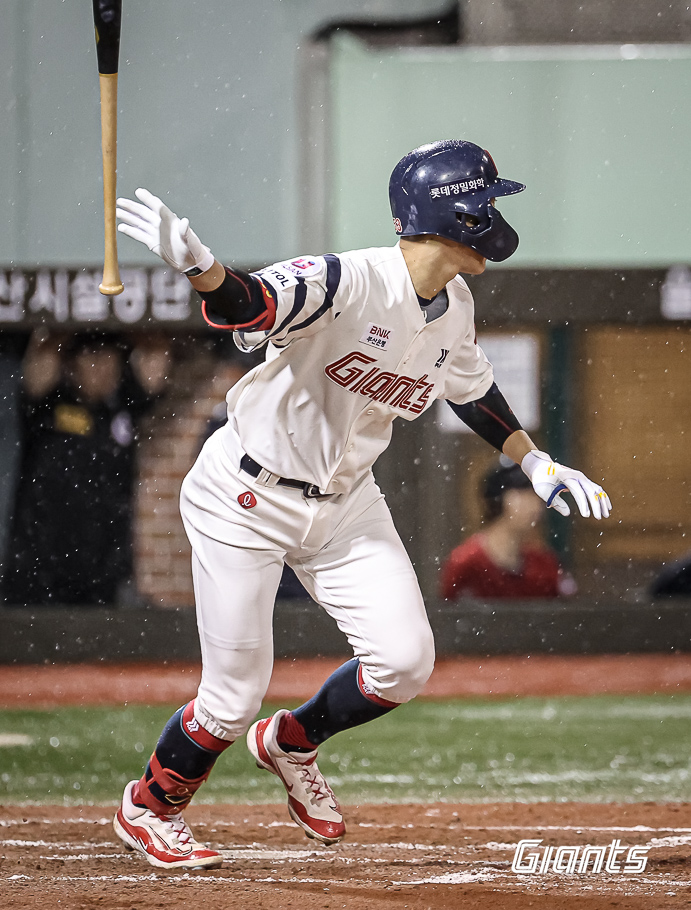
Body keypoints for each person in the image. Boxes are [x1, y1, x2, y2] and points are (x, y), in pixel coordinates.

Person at [111, 139, 611, 869]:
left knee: (403, 664)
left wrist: (533, 460)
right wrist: (201, 267)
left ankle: (291, 741)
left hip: (345, 500)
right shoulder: (348, 278)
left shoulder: (456, 304)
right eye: (486, 201)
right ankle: (149, 808)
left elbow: (471, 391)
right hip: (244, 495)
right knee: (229, 696)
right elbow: (248, 303)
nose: (495, 216)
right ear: (452, 215)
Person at [2, 331, 169, 607]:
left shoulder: (122, 408)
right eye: (92, 357)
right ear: (71, 363)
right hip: (39, 569)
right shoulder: (48, 404)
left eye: (110, 357)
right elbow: (42, 350)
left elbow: (157, 354)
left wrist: (127, 317)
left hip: (100, 573)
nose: (102, 367)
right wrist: (70, 321)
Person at [441, 461, 576, 600]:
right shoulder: (467, 565)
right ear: (498, 500)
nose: (535, 505)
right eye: (523, 494)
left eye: (537, 497)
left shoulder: (544, 566)